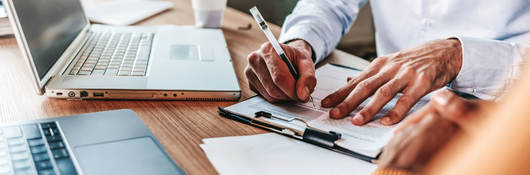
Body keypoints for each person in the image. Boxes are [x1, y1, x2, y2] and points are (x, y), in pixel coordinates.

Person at [244, 0, 530, 126]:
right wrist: (299, 43)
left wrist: (458, 57)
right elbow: (329, 3)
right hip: (383, 108)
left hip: (508, 112)